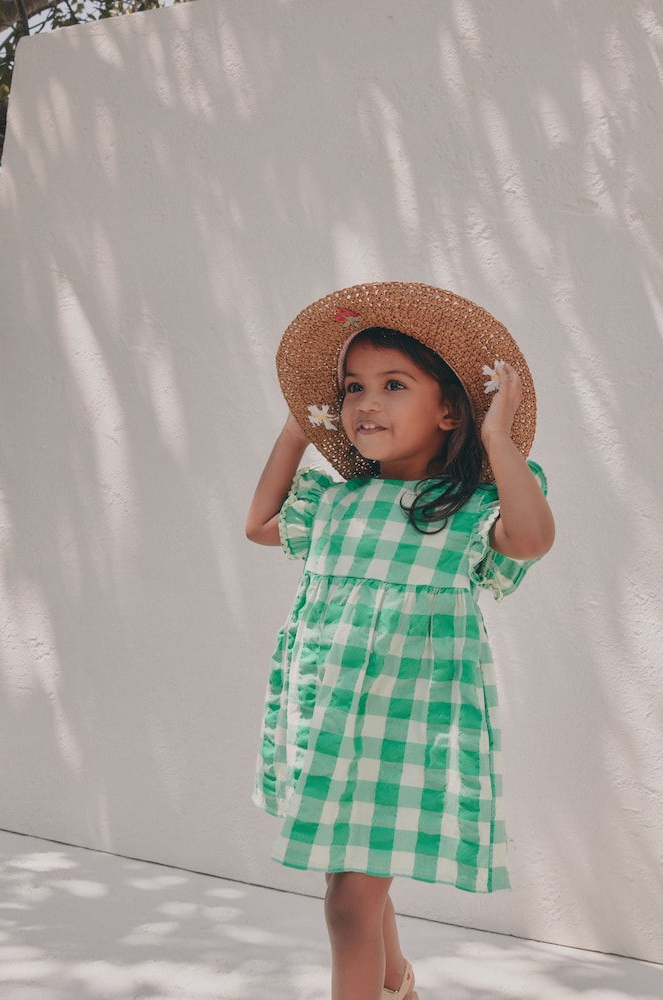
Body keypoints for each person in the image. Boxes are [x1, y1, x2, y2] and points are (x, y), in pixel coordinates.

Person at [245, 283, 555, 1000]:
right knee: (346, 876)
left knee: (349, 901)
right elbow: (259, 524)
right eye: (353, 387)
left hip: (406, 726)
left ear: (450, 410)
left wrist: (498, 439)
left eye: (393, 384)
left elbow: (532, 539)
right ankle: (397, 985)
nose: (366, 402)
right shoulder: (335, 503)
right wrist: (295, 432)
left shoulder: (467, 509)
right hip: (330, 716)